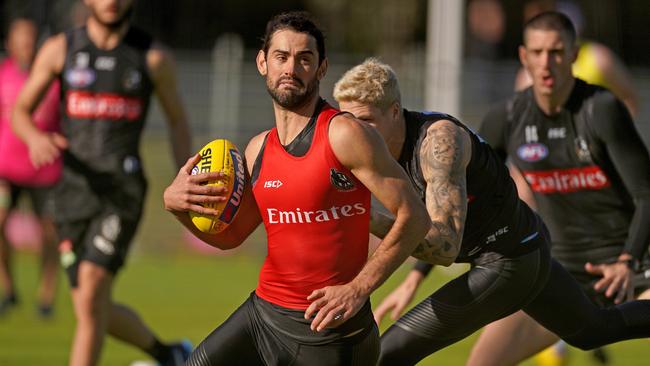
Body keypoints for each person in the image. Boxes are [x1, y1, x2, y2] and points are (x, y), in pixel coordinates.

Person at [332, 56, 650, 366]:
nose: (357, 132)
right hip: (523, 248)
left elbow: (444, 246)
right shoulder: (370, 147)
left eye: (366, 121)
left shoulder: (439, 143)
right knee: (595, 330)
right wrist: (414, 277)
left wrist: (365, 219)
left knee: (388, 354)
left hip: (509, 259)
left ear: (395, 112)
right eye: (350, 122)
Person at [163, 11, 430, 366]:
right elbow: (234, 235)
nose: (291, 68)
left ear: (321, 69)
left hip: (332, 332)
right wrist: (178, 206)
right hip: (263, 317)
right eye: (281, 57)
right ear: (263, 63)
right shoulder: (258, 149)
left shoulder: (344, 135)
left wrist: (359, 288)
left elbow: (415, 217)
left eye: (305, 58)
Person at [12, 0, 192, 365]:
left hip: (121, 193)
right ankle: (168, 354)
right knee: (91, 307)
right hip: (70, 194)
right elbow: (19, 111)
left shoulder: (153, 57)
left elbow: (177, 121)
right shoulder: (61, 49)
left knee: (92, 286)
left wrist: (183, 175)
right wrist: (34, 138)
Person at [466, 11, 650, 366]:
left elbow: (647, 192)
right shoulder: (506, 117)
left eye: (556, 51)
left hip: (635, 268)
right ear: (523, 57)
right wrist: (415, 275)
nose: (546, 63)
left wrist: (628, 261)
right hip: (562, 275)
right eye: (537, 53)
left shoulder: (602, 108)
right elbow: (466, 196)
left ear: (574, 54)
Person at [0, 18, 61, 318]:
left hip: (45, 169)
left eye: (31, 38)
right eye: (20, 39)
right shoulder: (2, 76)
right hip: (6, 170)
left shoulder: (50, 76)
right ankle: (8, 289)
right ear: (10, 43)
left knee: (49, 235)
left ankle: (46, 298)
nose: (26, 44)